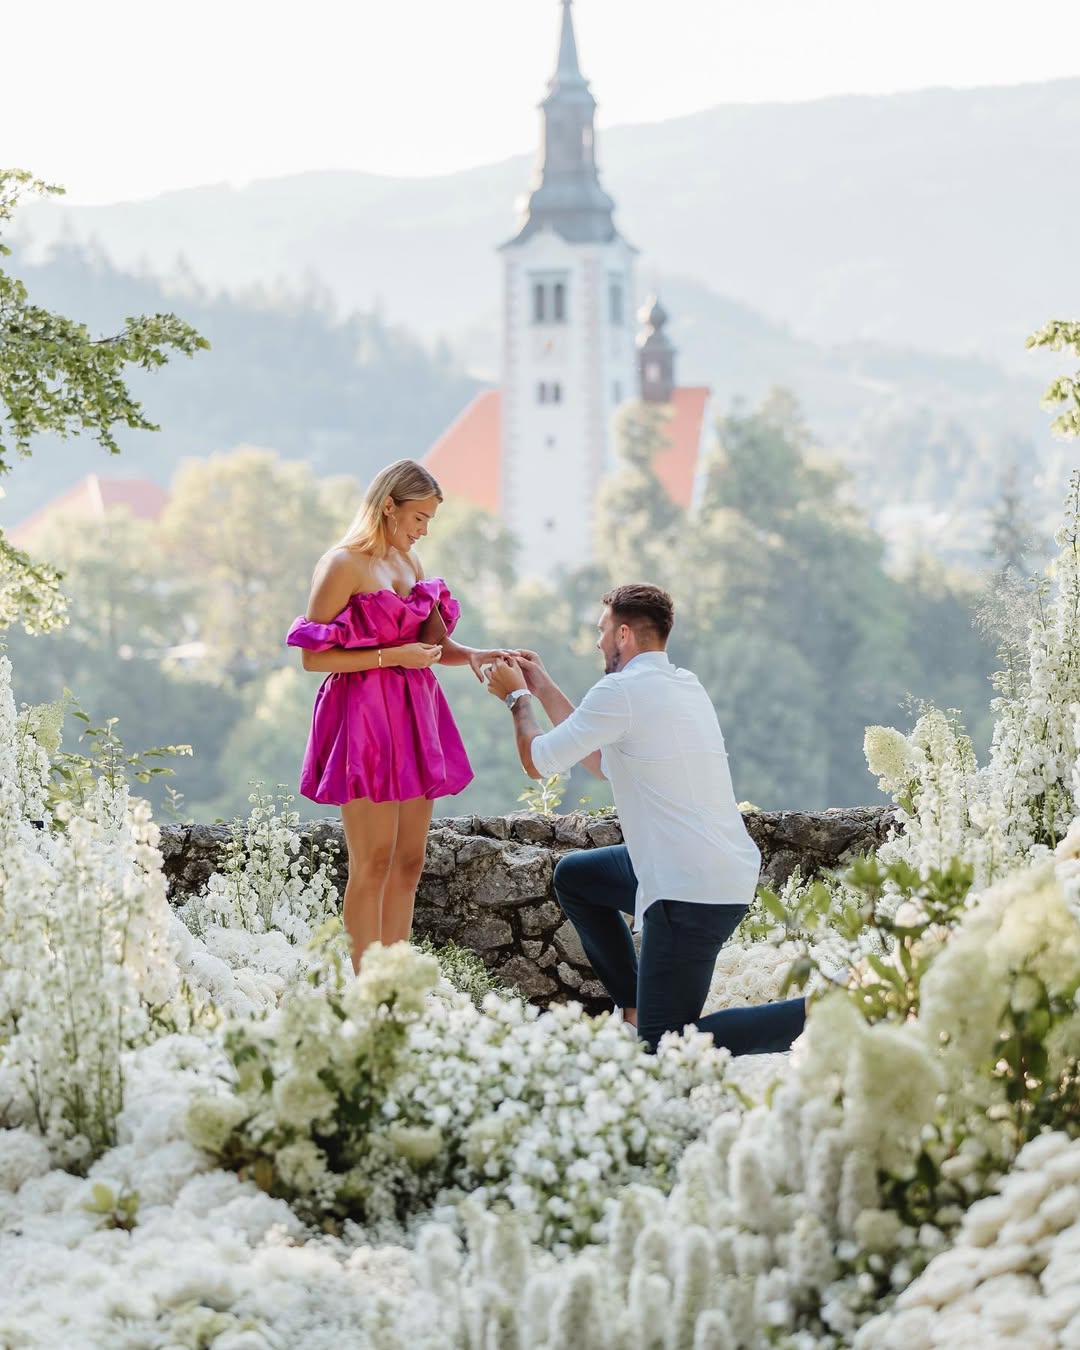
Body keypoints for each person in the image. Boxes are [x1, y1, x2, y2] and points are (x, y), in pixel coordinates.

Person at [485, 582, 806, 1055]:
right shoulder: (684, 684)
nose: (598, 642)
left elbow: (538, 761)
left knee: (665, 1045)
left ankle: (827, 1008)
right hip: (711, 867)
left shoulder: (621, 691)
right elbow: (601, 761)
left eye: (602, 630)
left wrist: (517, 698)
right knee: (577, 877)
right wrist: (544, 687)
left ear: (624, 635)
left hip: (689, 888)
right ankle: (635, 1003)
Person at [286, 459, 509, 971]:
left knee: (409, 861)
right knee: (372, 861)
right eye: (419, 518)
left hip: (413, 714)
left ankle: (395, 980)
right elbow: (313, 659)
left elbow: (432, 646)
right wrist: (390, 658)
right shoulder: (341, 565)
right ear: (389, 506)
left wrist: (476, 655)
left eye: (429, 520)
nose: (424, 530)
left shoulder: (411, 565)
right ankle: (367, 989)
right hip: (362, 718)